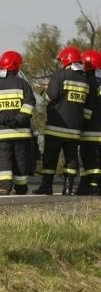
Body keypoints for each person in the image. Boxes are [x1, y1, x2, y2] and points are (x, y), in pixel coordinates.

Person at [34, 46, 91, 195]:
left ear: (66, 60)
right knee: (71, 159)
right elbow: (86, 109)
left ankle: (46, 187)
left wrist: (42, 90)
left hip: (56, 127)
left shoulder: (61, 75)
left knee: (50, 158)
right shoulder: (85, 81)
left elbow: (51, 97)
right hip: (74, 130)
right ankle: (68, 189)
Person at [0, 51, 36, 196]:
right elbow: (30, 103)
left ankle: (5, 187)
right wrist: (19, 119)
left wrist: (1, 119)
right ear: (16, 66)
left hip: (2, 132)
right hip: (21, 133)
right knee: (21, 160)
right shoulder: (22, 84)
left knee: (4, 159)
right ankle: (22, 188)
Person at [76, 49, 101, 195]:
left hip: (91, 130)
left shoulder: (89, 83)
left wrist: (81, 122)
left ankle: (92, 186)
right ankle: (90, 185)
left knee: (89, 159)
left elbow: (88, 109)